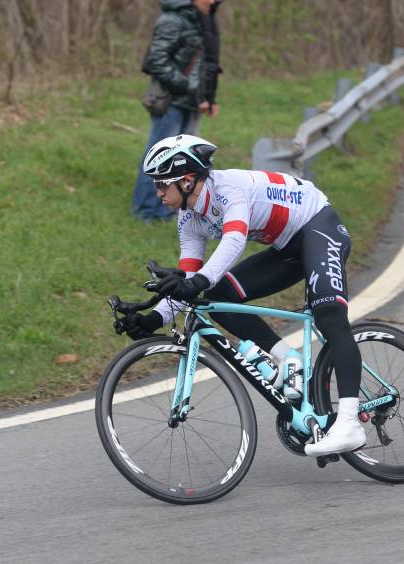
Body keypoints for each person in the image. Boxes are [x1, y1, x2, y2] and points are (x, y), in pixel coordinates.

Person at [125, 134, 366, 457]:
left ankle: (350, 422)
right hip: (286, 249)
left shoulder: (228, 190)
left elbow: (234, 241)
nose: (157, 193)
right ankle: (287, 357)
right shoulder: (189, 218)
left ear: (185, 181)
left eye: (162, 184)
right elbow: (191, 281)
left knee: (329, 315)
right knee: (216, 298)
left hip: (318, 226)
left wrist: (197, 282)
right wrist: (152, 317)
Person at [131, 0, 215, 221]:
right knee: (158, 157)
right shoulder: (172, 20)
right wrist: (187, 86)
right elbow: (156, 61)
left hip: (186, 102)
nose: (214, 1)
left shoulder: (195, 20)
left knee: (177, 160)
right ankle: (146, 211)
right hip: (171, 101)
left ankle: (162, 210)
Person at [187, 0, 222, 137]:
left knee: (186, 150)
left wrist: (210, 97)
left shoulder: (210, 15)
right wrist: (200, 97)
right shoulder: (194, 14)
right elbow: (192, 61)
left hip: (197, 95)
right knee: (164, 151)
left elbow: (211, 61)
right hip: (183, 97)